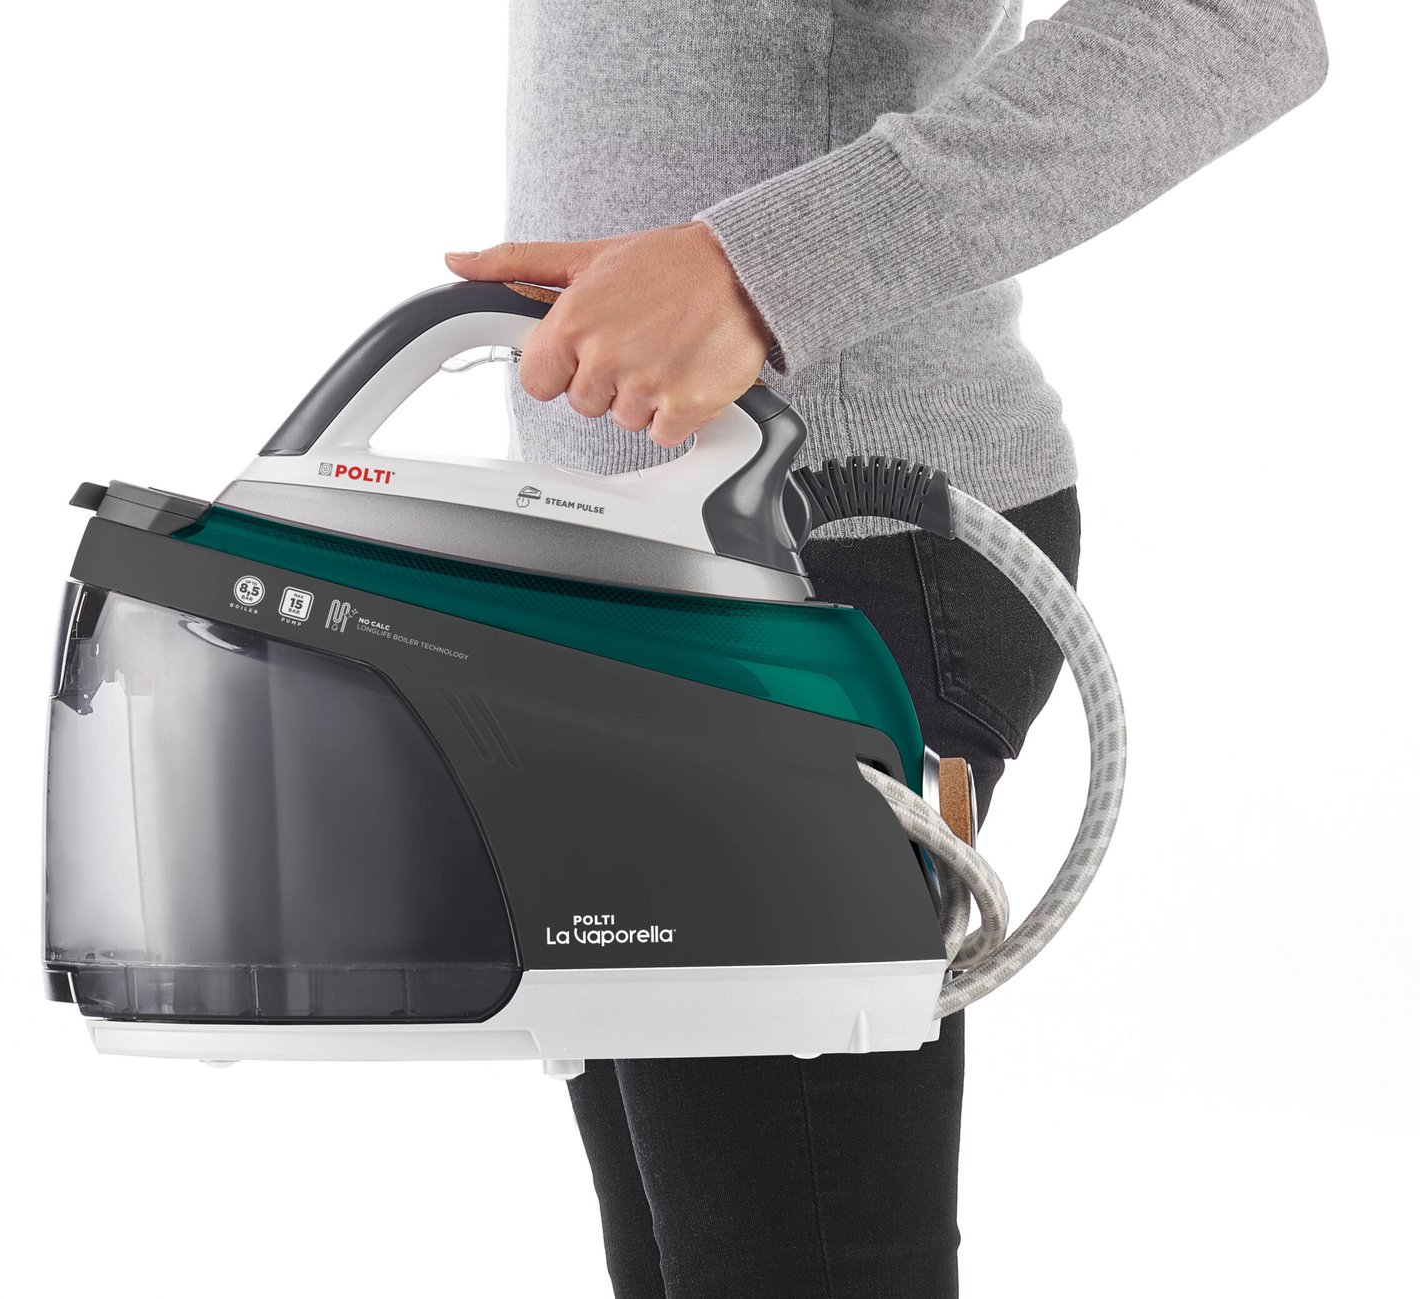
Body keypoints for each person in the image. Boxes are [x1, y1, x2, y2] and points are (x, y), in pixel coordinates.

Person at [446, 2, 1328, 1294]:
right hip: (624, 556)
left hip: (824, 547)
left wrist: (755, 270)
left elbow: (1238, 24)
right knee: (694, 1255)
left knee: (785, 1261)